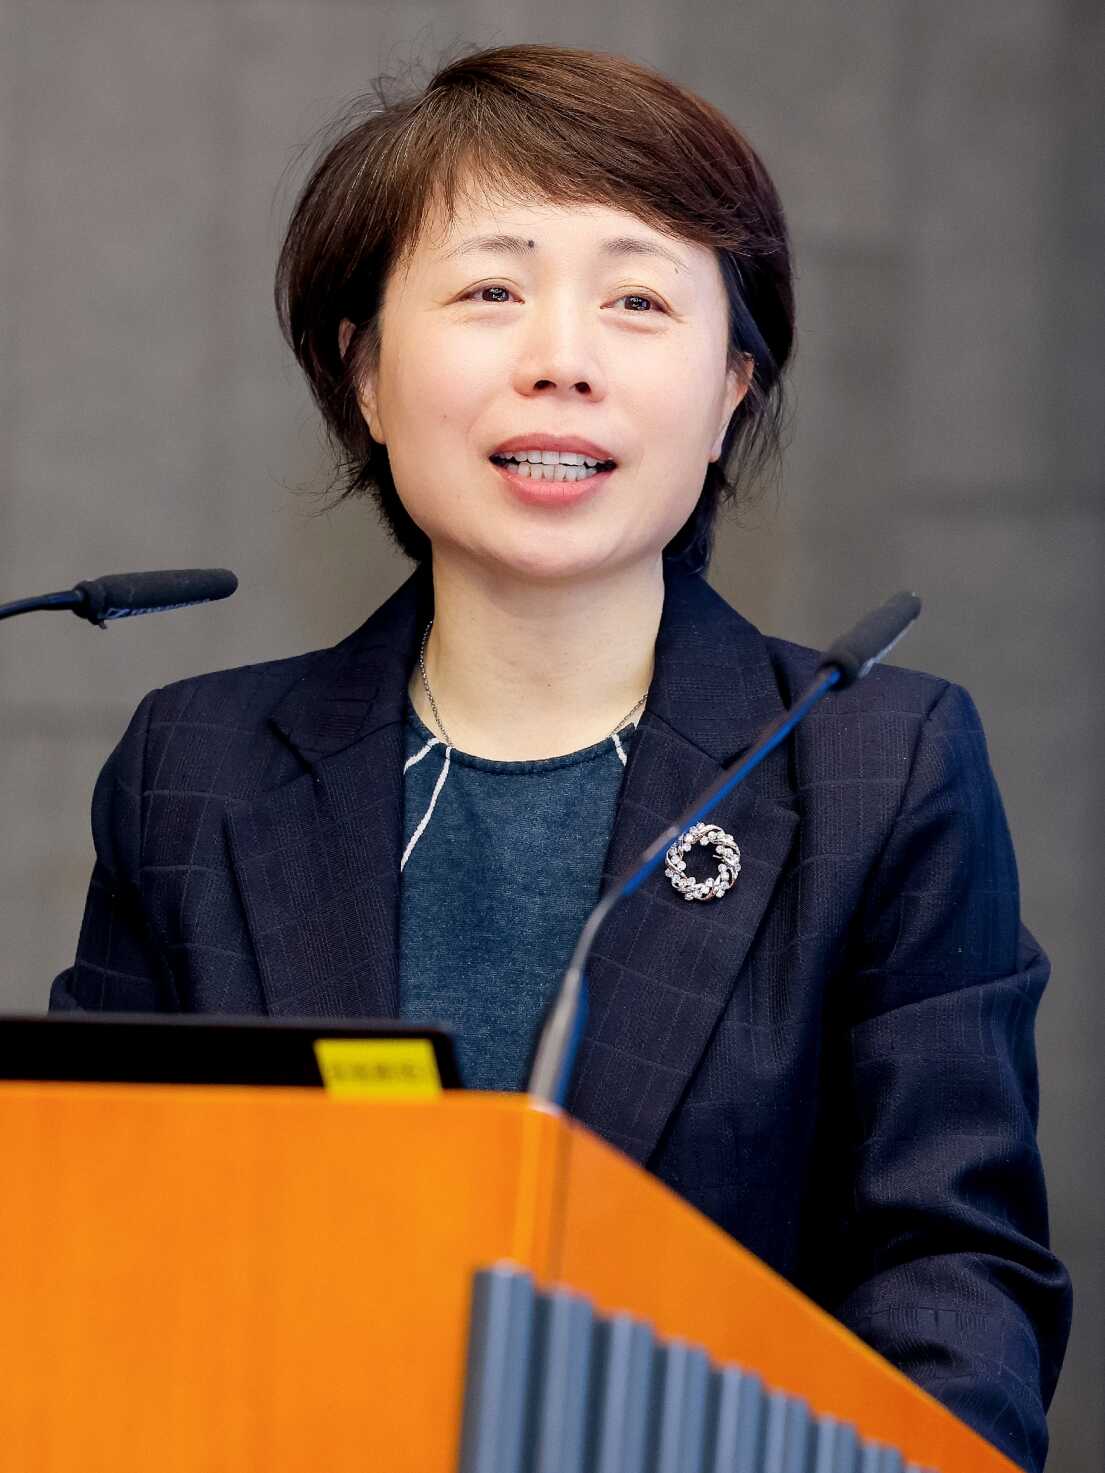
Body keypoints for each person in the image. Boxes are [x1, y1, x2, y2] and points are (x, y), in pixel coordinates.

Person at [51, 43, 1070, 1470]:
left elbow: (950, 1274)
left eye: (637, 300)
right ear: (363, 374)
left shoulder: (870, 766)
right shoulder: (198, 772)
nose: (561, 358)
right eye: (490, 291)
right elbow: (95, 1244)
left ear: (730, 389)